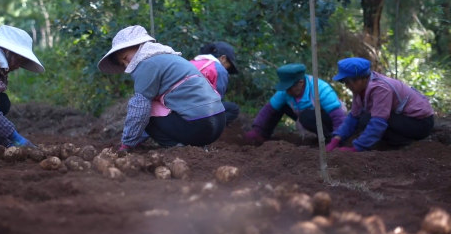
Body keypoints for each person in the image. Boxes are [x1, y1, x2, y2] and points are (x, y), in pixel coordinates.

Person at [97, 25, 226, 150]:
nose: (126, 66)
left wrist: (127, 143)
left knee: (143, 106)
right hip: (219, 121)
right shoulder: (169, 57)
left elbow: (139, 110)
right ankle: (196, 146)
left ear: (139, 46)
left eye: (125, 58)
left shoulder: (146, 64)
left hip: (199, 125)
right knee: (154, 104)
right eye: (122, 63)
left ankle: (178, 147)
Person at [326, 57, 434, 152]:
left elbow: (378, 122)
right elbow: (353, 117)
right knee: (363, 120)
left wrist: (356, 148)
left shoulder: (380, 88)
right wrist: (336, 139)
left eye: (348, 82)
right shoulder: (359, 90)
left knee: (367, 120)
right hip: (403, 119)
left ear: (361, 78)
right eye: (344, 82)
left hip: (421, 123)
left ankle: (406, 143)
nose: (347, 86)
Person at [244, 63, 346, 145]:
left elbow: (338, 117)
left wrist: (336, 140)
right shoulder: (285, 92)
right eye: (285, 88)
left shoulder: (321, 89)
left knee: (306, 115)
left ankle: (327, 140)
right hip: (305, 117)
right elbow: (268, 109)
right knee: (279, 106)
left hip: (328, 122)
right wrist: (256, 129)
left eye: (289, 87)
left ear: (301, 82)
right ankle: (263, 136)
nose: (287, 91)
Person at [190, 42, 240, 126]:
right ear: (223, 58)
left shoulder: (191, 62)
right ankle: (208, 127)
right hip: (197, 111)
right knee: (233, 109)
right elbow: (216, 100)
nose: (227, 69)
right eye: (228, 65)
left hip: (177, 105)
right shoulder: (219, 69)